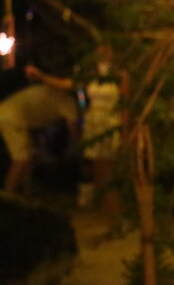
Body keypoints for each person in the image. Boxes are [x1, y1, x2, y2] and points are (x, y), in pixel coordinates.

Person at [26, 45, 128, 232]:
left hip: (110, 123)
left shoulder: (120, 75)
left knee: (107, 172)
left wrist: (125, 130)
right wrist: (42, 77)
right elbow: (67, 84)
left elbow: (125, 105)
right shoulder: (89, 74)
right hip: (93, 122)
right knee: (99, 173)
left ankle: (116, 218)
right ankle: (112, 218)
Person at [0, 78, 79, 194]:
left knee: (30, 156)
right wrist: (80, 145)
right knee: (22, 159)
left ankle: (24, 192)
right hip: (12, 119)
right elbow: (73, 127)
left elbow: (34, 113)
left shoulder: (47, 90)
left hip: (10, 115)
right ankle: (8, 195)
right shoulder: (67, 101)